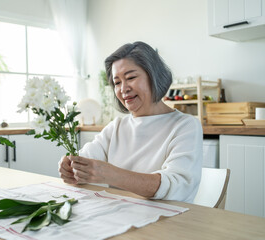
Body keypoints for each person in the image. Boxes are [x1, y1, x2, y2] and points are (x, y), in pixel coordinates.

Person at [58, 41, 203, 203]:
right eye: (117, 82)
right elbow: (85, 161)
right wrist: (71, 168)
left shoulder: (185, 126)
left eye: (131, 77)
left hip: (169, 220)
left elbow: (177, 187)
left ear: (154, 76)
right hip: (120, 216)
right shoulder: (116, 127)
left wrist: (111, 174)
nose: (123, 89)